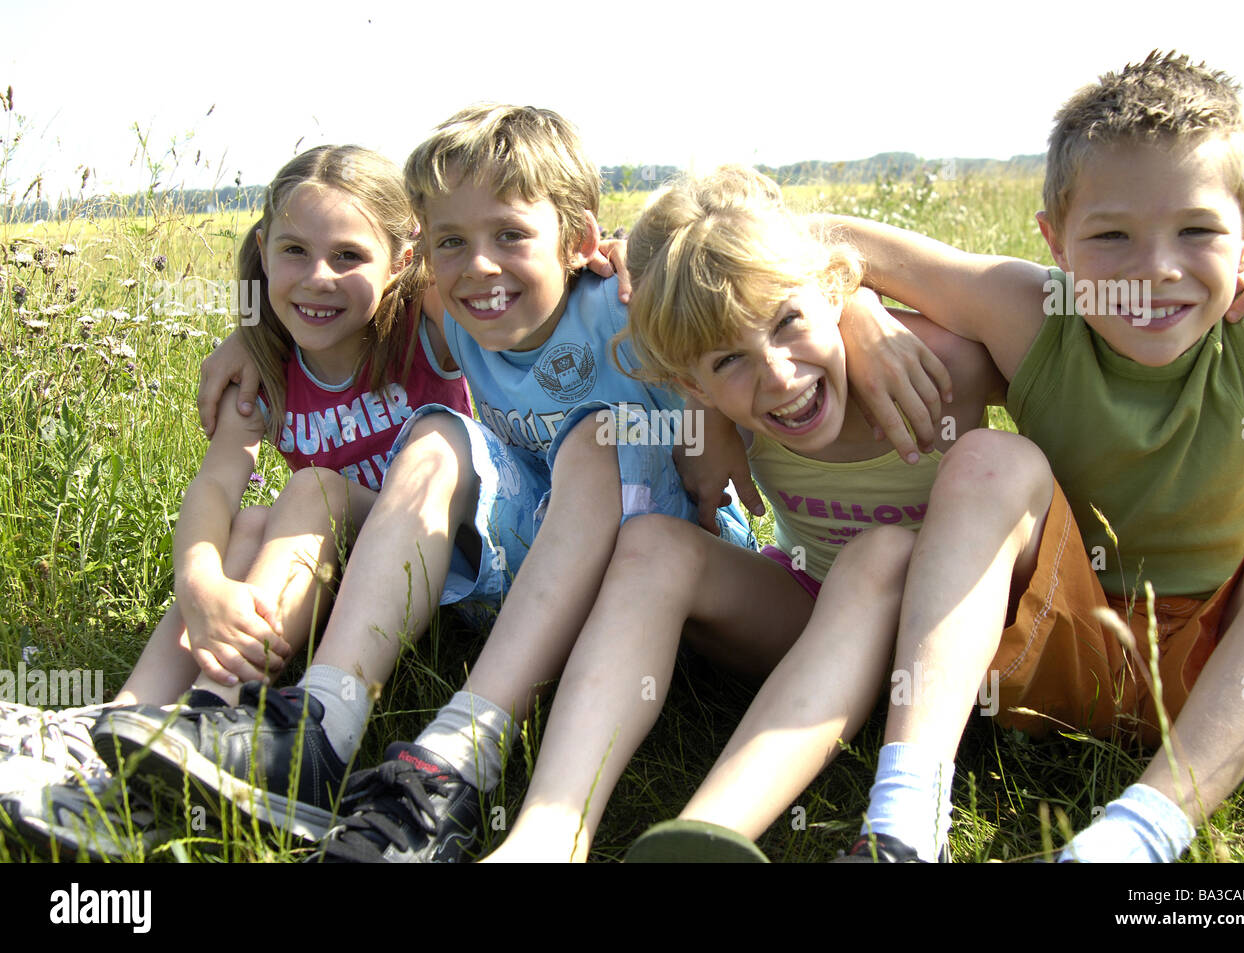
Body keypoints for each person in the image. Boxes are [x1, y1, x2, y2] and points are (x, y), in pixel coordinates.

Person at [182, 104, 953, 863]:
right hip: (536, 564)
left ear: (580, 240)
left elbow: (754, 282)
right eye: (452, 241)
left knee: (594, 436)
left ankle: (463, 749)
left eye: (511, 236)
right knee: (436, 433)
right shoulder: (450, 307)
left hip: (658, 583)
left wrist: (856, 305)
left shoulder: (627, 306)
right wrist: (248, 338)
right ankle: (324, 725)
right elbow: (331, 290)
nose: (480, 266)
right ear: (427, 253)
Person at [819, 51, 1244, 863]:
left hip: (1224, 672)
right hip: (1054, 644)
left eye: (1198, 230)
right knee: (987, 462)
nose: (1157, 269)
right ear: (1056, 241)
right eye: (1111, 235)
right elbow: (814, 238)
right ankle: (903, 824)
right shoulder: (1035, 312)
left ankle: (1134, 839)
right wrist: (855, 302)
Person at [479, 166, 1004, 862]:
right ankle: (548, 833)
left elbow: (1052, 352)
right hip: (821, 624)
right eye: (731, 361)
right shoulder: (718, 409)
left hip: (960, 631)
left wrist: (863, 310)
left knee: (884, 550)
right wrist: (710, 406)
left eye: (790, 323)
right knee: (651, 547)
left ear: (832, 293)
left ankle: (742, 823)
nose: (780, 377)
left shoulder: (939, 367)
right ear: (691, 383)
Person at [3, 145, 472, 857]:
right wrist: (200, 587)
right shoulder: (266, 364)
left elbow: (500, 270)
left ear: (401, 261)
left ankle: (208, 720)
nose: (319, 277)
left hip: (438, 566)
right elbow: (216, 484)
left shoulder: (429, 324)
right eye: (295, 251)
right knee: (247, 523)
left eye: (349, 255)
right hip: (323, 588)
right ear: (263, 249)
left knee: (312, 486)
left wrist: (618, 258)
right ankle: (124, 723)